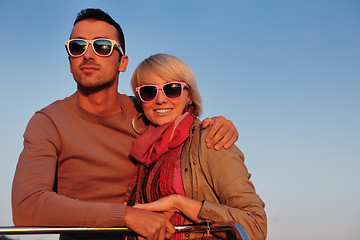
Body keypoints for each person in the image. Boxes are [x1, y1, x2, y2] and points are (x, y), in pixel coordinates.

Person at [11, 8, 240, 240]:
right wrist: (126, 216)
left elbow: (186, 125)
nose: (88, 55)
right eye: (78, 46)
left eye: (102, 46)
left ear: (122, 62)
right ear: (70, 63)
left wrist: (219, 125)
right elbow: (27, 205)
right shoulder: (48, 122)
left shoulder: (147, 109)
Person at [125, 53, 267, 240]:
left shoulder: (211, 138)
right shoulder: (142, 148)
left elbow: (255, 226)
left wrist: (179, 204)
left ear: (189, 96)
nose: (160, 100)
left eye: (172, 89)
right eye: (149, 92)